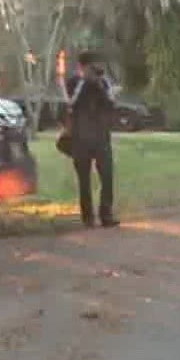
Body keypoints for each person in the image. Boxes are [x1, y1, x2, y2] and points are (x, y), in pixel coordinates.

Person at [64, 51, 119, 228]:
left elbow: (111, 103)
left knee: (107, 176)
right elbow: (70, 103)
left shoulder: (103, 82)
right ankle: (87, 217)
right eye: (90, 65)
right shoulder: (74, 82)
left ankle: (106, 214)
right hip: (81, 137)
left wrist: (99, 86)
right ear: (82, 66)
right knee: (84, 179)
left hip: (101, 136)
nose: (93, 68)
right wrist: (86, 83)